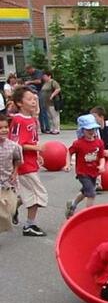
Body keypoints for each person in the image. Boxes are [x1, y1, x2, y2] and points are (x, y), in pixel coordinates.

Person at [9, 86, 47, 237]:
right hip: (24, 165)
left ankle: (14, 208)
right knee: (37, 194)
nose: (33, 102)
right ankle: (29, 225)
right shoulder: (18, 120)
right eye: (29, 99)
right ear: (20, 103)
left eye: (34, 99)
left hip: (32, 163)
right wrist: (37, 148)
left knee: (30, 193)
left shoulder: (31, 119)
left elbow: (32, 140)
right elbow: (16, 144)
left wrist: (37, 154)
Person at [65, 115, 106, 218]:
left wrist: (102, 166)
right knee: (91, 194)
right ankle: (89, 215)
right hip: (82, 173)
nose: (91, 131)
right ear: (82, 130)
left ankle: (73, 204)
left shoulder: (99, 142)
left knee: (85, 192)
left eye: (93, 129)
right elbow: (69, 152)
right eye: (88, 129)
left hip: (94, 172)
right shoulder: (78, 143)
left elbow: (102, 157)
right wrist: (67, 164)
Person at [0, 113, 23, 234]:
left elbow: (17, 160)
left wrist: (15, 173)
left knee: (9, 210)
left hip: (8, 181)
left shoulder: (13, 146)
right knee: (1, 212)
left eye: (6, 127)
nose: (4, 130)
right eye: (0, 128)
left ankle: (14, 211)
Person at [23, 65, 48, 134]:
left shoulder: (38, 72)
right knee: (38, 112)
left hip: (39, 91)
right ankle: (42, 128)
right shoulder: (31, 75)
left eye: (28, 71)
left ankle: (46, 127)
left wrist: (29, 82)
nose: (28, 73)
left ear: (31, 69)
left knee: (42, 110)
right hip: (35, 91)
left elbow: (39, 81)